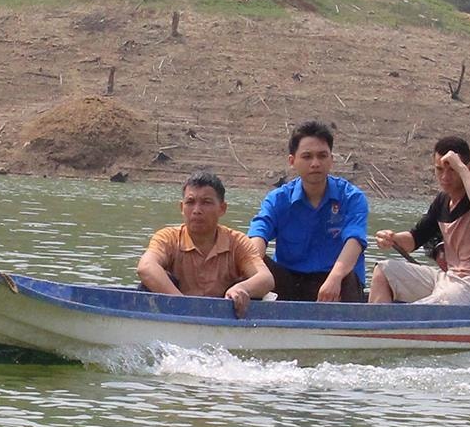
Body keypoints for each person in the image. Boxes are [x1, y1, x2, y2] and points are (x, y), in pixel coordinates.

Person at [370, 135, 470, 305]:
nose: (445, 177)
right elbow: (415, 239)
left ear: (468, 169)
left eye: (452, 170)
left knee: (429, 306)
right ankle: (379, 329)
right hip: (449, 280)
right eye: (439, 170)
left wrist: (461, 167)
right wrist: (393, 238)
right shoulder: (442, 201)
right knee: (384, 270)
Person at [248, 121, 368, 302]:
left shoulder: (351, 198)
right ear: (292, 161)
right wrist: (253, 267)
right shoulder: (278, 199)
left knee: (347, 276)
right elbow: (258, 234)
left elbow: (355, 242)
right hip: (290, 281)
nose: (315, 163)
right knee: (251, 263)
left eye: (322, 156)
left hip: (336, 281)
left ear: (331, 160)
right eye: (307, 156)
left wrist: (334, 279)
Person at [138, 172, 273, 311]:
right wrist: (180, 303)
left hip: (224, 315)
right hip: (174, 313)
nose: (197, 210)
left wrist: (241, 288)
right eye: (190, 202)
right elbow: (146, 266)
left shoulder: (237, 242)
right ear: (181, 208)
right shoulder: (168, 238)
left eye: (206, 203)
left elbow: (266, 278)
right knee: (149, 284)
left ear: (222, 209)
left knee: (250, 291)